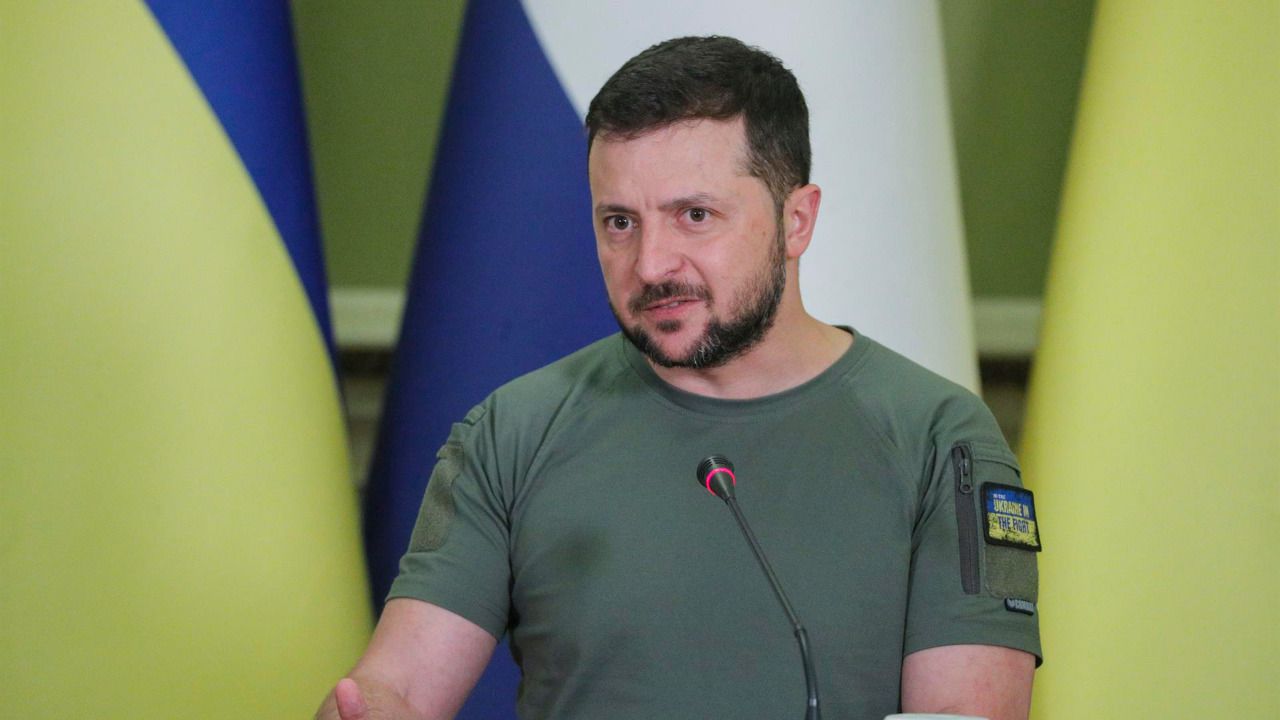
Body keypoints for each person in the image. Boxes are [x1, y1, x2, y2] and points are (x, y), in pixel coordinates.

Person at [317, 36, 1041, 720]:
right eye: (619, 222)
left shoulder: (942, 440)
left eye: (695, 215)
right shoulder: (510, 433)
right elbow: (397, 686)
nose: (651, 264)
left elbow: (961, 712)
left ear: (796, 220)